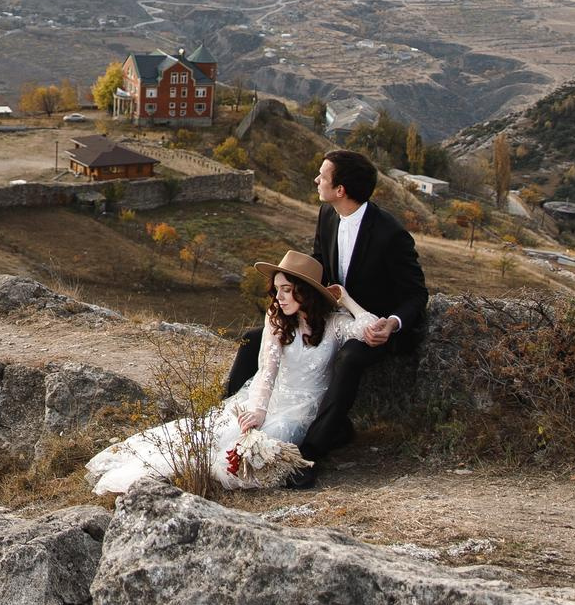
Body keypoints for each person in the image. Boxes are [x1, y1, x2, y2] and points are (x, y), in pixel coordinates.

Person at [85, 250, 388, 493]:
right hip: (271, 400)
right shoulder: (277, 320)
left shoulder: (334, 325)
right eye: (277, 290)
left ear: (305, 292)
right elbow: (266, 371)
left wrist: (345, 299)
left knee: (242, 460)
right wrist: (257, 410)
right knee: (217, 438)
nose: (279, 298)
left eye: (287, 290)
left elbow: (370, 328)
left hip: (303, 411)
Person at [220, 147, 430, 484]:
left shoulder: (390, 233)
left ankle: (313, 451)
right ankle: (231, 411)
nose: (316, 180)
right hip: (325, 315)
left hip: (371, 326)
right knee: (252, 338)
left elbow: (416, 293)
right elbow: (318, 264)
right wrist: (297, 303)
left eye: (323, 176)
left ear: (341, 189)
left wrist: (392, 323)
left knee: (348, 359)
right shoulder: (327, 214)